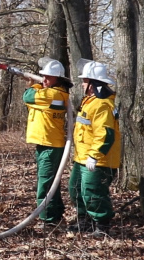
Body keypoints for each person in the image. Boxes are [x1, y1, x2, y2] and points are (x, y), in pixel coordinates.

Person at [68, 60, 121, 236]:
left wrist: (94, 155)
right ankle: (85, 221)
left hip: (98, 160)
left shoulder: (102, 105)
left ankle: (102, 226)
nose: (82, 84)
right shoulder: (90, 101)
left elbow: (105, 134)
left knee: (93, 191)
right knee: (75, 189)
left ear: (92, 83)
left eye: (84, 80)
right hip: (82, 157)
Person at [22, 58, 71, 227]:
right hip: (47, 143)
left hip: (50, 145)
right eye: (42, 77)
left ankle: (48, 218)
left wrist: (33, 85)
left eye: (47, 78)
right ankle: (55, 213)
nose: (44, 80)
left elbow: (28, 96)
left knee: (45, 182)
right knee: (51, 181)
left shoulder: (52, 94)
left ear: (58, 79)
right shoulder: (55, 93)